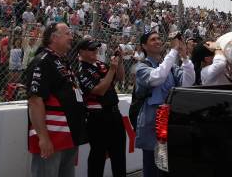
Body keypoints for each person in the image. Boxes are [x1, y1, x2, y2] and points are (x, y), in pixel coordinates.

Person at [26, 23, 87, 177]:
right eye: (67, 33)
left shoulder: (63, 61)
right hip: (53, 137)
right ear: (54, 37)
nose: (71, 37)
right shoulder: (43, 61)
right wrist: (43, 138)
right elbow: (35, 101)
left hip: (69, 136)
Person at [134, 32, 194, 177]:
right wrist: (173, 51)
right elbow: (157, 78)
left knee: (168, 167)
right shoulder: (141, 67)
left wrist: (184, 56)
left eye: (159, 38)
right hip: (152, 123)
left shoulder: (170, 66)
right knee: (152, 167)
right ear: (144, 46)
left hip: (170, 121)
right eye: (152, 39)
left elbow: (188, 82)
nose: (158, 41)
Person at [76, 39, 126, 177]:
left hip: (115, 114)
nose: (95, 51)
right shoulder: (82, 69)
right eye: (91, 49)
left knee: (119, 156)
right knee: (97, 158)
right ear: (82, 52)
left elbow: (120, 78)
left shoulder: (100, 64)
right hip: (97, 118)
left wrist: (119, 61)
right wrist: (112, 69)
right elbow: (99, 90)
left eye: (96, 49)